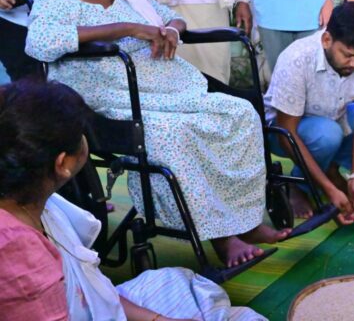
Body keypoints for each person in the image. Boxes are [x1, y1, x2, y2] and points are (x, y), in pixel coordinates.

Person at [25, 0, 290, 268]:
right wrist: (128, 28)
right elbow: (39, 42)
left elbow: (172, 18)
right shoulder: (56, 1)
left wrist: (171, 31)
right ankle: (222, 239)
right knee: (172, 134)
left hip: (172, 91)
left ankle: (246, 221)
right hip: (115, 104)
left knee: (239, 114)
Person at [0, 79, 266, 320]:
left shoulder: (33, 203)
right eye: (82, 134)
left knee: (184, 282)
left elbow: (93, 292)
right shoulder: (19, 253)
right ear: (63, 164)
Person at [265, 2, 354, 224]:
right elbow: (286, 132)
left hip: (334, 118)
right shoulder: (297, 58)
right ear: (326, 40)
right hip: (283, 132)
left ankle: (329, 168)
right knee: (328, 134)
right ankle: (299, 184)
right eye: (348, 55)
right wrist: (329, 191)